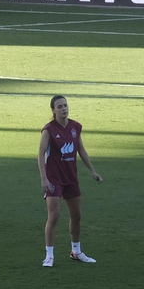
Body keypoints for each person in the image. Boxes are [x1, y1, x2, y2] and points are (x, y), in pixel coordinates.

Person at [37, 94, 102, 267]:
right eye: (59, 106)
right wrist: (44, 179)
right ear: (53, 110)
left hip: (71, 178)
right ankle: (49, 255)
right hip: (54, 179)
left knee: (77, 215)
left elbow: (81, 149)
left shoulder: (75, 127)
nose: (64, 108)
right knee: (54, 215)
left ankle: (76, 251)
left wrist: (92, 171)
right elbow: (41, 153)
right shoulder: (49, 130)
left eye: (65, 105)